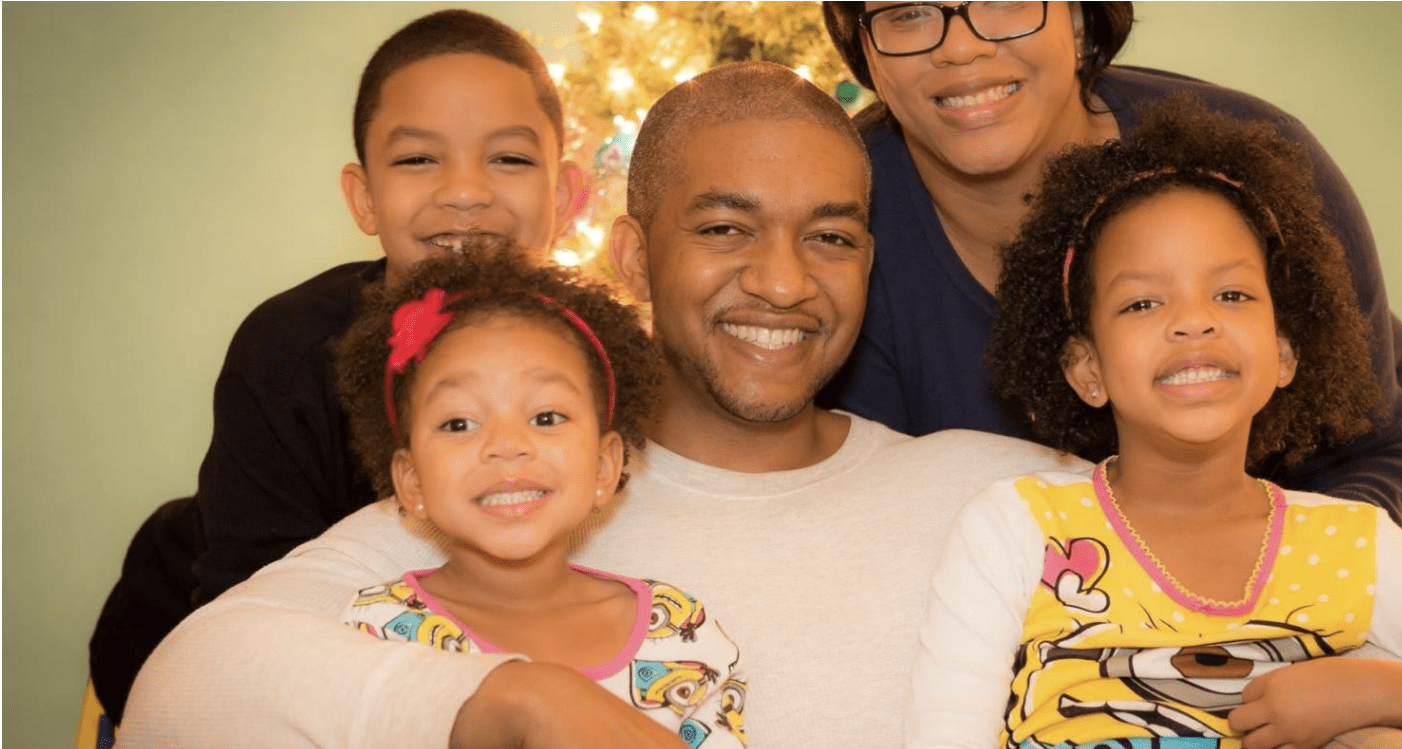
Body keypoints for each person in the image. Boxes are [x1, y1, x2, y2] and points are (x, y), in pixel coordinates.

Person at [118, 62, 1085, 749]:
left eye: (830, 238)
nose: (784, 282)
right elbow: (177, 698)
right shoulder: (504, 498)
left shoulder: (989, 491)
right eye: (724, 228)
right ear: (632, 257)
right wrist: (514, 699)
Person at [905, 99, 1402, 749]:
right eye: (1142, 302)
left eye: (1231, 294)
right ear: (1087, 369)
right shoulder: (1019, 527)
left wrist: (1397, 695)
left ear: (1283, 352)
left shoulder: (1353, 545)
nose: (1194, 321)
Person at [817, 2, 1402, 560]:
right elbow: (889, 530)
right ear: (864, 50)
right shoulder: (837, 221)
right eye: (907, 12)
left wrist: (1267, 614)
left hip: (1349, 504)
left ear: (1079, 19)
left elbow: (1373, 454)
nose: (961, 47)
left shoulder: (1256, 154)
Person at [88, 8, 588, 724]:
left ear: (563, 196)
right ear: (364, 197)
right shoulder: (289, 348)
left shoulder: (591, 353)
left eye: (508, 158)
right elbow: (250, 632)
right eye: (418, 160)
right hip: (199, 659)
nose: (465, 190)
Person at [333, 248, 745, 747]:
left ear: (604, 466)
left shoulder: (679, 629)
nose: (507, 445)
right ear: (412, 480)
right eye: (459, 423)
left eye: (546, 417)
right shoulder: (378, 630)